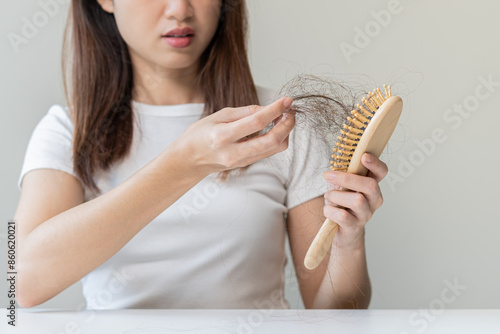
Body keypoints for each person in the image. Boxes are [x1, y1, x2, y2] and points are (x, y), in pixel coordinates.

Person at [14, 0, 387, 309]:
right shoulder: (68, 131)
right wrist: (182, 166)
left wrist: (348, 242)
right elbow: (22, 282)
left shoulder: (281, 126)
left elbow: (334, 315)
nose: (180, 9)